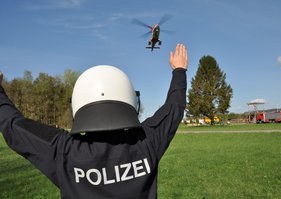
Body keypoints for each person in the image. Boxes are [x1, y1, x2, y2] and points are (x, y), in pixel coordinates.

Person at [0, 43, 188, 199]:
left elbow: (13, 125)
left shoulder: (64, 151)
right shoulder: (147, 141)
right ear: (131, 100)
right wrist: (179, 71)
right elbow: (174, 108)